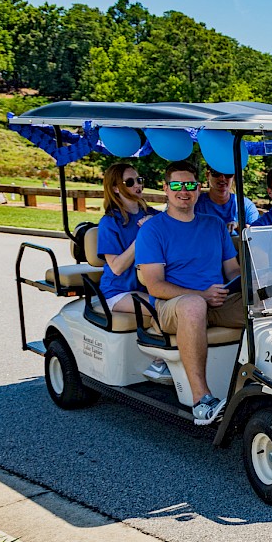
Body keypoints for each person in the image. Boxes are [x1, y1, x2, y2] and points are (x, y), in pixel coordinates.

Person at [136, 160, 244, 425]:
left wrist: (257, 284)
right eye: (176, 185)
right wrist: (202, 295)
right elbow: (154, 285)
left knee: (269, 299)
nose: (184, 191)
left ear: (198, 188)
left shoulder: (215, 225)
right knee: (194, 304)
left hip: (216, 301)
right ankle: (201, 400)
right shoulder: (153, 229)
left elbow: (232, 271)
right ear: (165, 188)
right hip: (171, 307)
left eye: (190, 185)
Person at [94, 164, 169, 382]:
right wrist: (144, 235)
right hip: (118, 291)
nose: (138, 185)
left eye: (139, 180)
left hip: (148, 285)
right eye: (130, 182)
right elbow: (116, 267)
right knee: (162, 306)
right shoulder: (110, 223)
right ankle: (159, 361)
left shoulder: (152, 215)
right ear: (116, 188)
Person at [194, 165, 259, 234]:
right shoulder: (195, 205)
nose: (222, 178)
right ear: (207, 175)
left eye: (228, 174)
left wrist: (239, 226)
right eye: (216, 173)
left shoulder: (246, 205)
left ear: (233, 176)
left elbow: (258, 233)